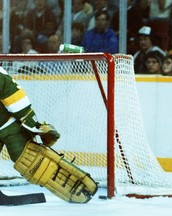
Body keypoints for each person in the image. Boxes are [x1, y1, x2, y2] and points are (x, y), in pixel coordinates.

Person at [0, 66, 98, 203]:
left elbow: (14, 95)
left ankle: (75, 186)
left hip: (10, 125)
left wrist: (31, 123)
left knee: (31, 159)